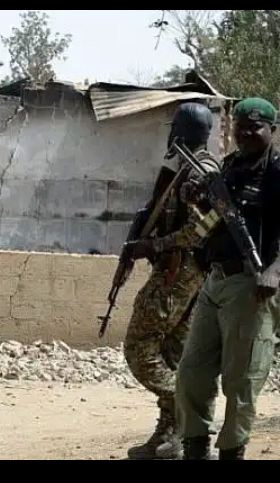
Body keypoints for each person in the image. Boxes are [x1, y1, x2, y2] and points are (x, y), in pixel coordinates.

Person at [175, 97, 280, 460]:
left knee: (242, 379)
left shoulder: (276, 173)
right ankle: (194, 445)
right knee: (191, 371)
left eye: (255, 127)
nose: (246, 134)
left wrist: (273, 272)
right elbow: (212, 217)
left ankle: (232, 450)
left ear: (272, 130)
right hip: (215, 280)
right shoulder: (230, 166)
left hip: (253, 284)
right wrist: (194, 198)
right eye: (240, 127)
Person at [120, 102, 222, 459]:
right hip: (187, 274)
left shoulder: (199, 172)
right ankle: (170, 437)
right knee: (171, 354)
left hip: (181, 272)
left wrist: (154, 245)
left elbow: (200, 230)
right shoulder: (188, 166)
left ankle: (187, 408)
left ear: (181, 131)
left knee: (138, 346)